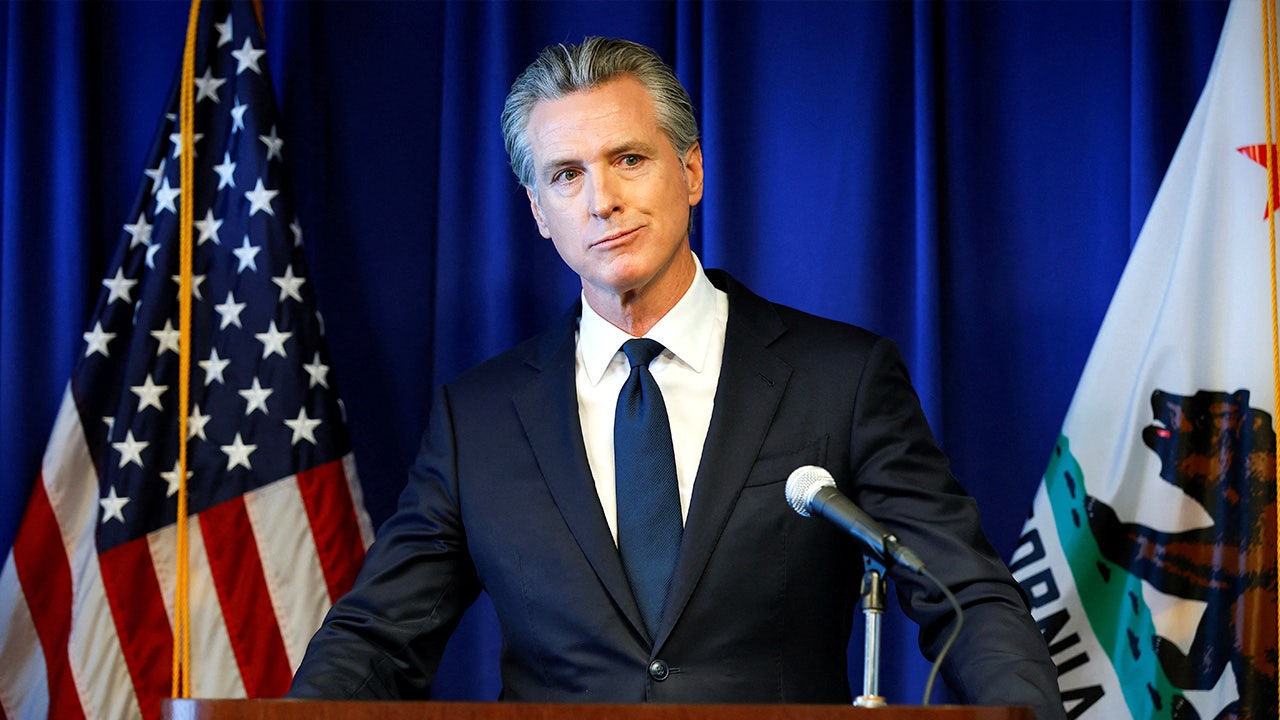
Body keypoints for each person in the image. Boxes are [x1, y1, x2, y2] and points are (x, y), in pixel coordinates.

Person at [288, 37, 1066, 720]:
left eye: (628, 159)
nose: (603, 201)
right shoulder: (479, 421)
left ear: (690, 171)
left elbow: (965, 596)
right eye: (566, 175)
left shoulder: (841, 379)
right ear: (538, 211)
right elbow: (376, 638)